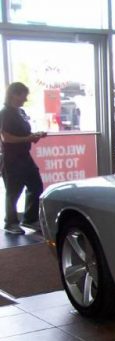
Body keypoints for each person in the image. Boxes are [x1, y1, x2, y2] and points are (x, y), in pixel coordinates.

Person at [1, 82, 47, 234]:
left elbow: (23, 134)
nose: (25, 99)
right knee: (13, 191)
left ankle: (30, 219)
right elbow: (6, 138)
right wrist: (28, 138)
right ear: (14, 94)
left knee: (36, 186)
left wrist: (34, 136)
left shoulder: (19, 112)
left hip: (24, 157)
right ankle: (10, 223)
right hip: (11, 158)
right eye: (23, 95)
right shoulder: (4, 113)